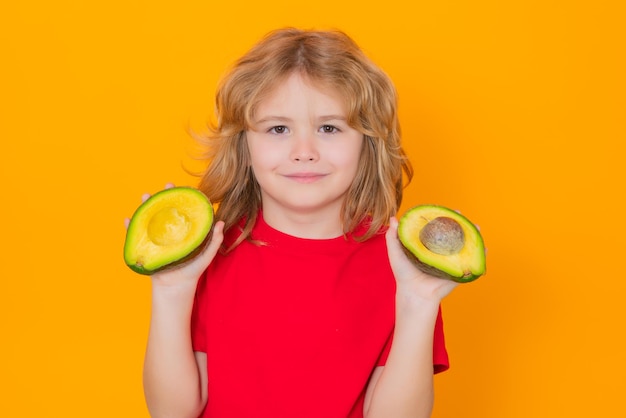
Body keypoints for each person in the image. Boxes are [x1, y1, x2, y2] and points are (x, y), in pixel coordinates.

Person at [138, 27, 458, 418]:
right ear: (244, 144)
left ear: (367, 142)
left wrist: (418, 303)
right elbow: (172, 413)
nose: (303, 152)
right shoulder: (207, 254)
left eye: (329, 128)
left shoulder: (401, 265)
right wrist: (171, 289)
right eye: (277, 129)